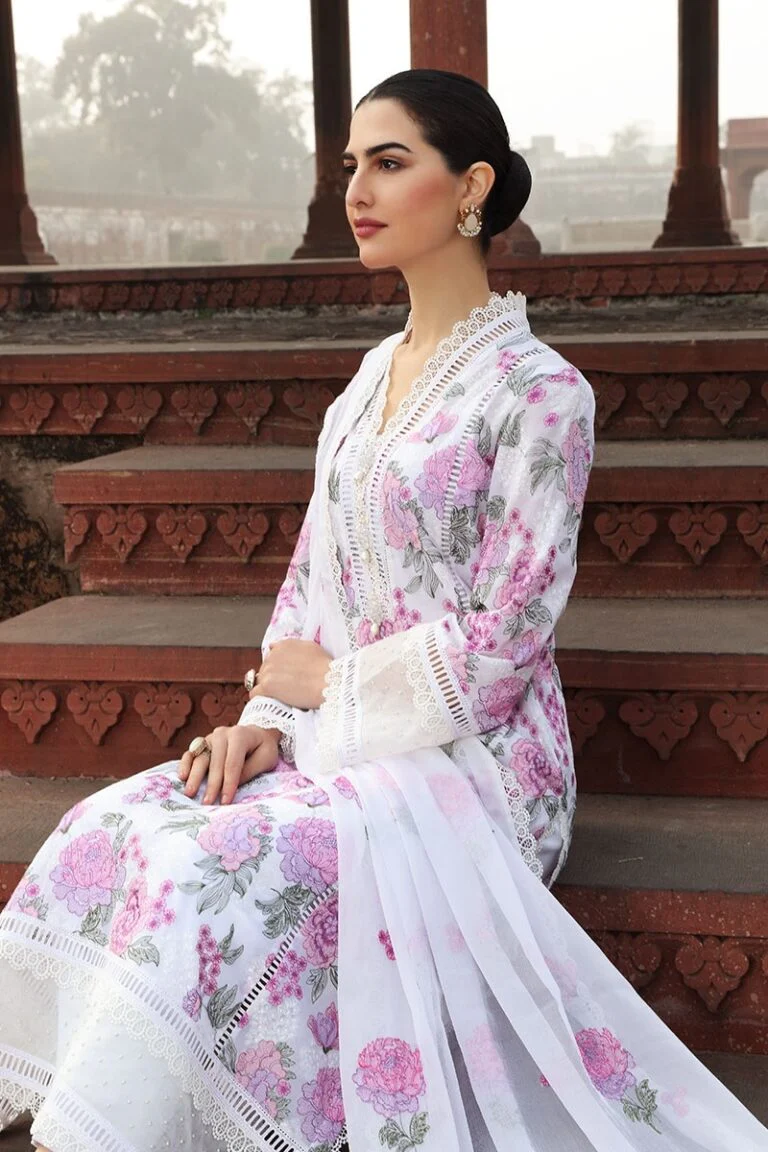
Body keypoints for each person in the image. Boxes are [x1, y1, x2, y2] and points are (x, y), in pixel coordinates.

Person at [0, 68, 764, 1152]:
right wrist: (267, 719)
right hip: (331, 728)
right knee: (116, 823)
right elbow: (310, 578)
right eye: (352, 164)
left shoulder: (543, 393)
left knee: (211, 868)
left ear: (472, 187)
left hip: (478, 760)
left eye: (390, 162)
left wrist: (334, 688)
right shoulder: (366, 383)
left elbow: (506, 642)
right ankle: (101, 1109)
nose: (357, 189)